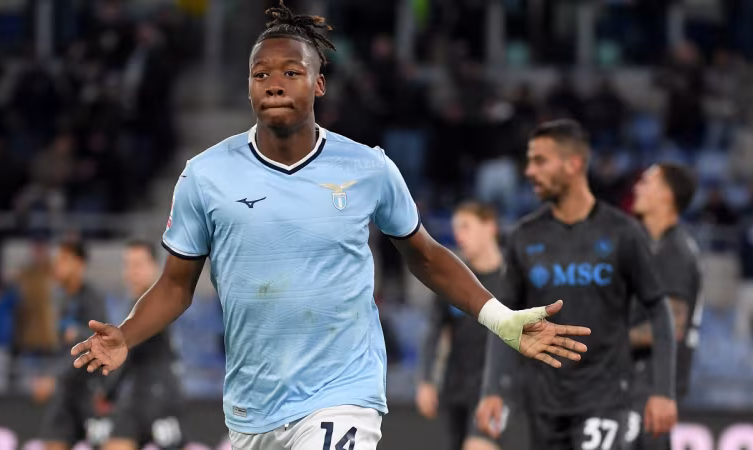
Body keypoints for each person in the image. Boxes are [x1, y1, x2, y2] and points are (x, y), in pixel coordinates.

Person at [70, 3, 591, 450]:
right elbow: (175, 286)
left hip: (344, 392)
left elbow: (427, 256)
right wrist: (125, 335)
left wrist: (502, 319)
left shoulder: (368, 168)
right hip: (252, 406)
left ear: (318, 83)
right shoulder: (205, 176)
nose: (274, 83)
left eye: (291, 72)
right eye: (260, 74)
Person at [476, 119, 678, 450]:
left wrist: (663, 392)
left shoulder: (622, 233)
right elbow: (504, 319)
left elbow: (660, 309)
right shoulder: (524, 236)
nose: (529, 171)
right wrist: (492, 390)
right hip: (544, 402)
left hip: (607, 398)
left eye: (540, 161)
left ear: (573, 164)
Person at [416, 202, 519, 450]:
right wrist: (426, 379)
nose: (458, 235)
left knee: (478, 446)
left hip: (498, 389)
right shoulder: (453, 279)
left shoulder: (514, 280)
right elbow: (434, 331)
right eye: (455, 229)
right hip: (457, 387)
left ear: (490, 227)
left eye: (465, 226)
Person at [630, 163, 702, 450]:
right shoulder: (652, 246)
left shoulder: (674, 251)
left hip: (650, 390)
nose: (637, 187)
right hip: (639, 387)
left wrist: (610, 339)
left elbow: (671, 327)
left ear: (667, 196)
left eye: (647, 182)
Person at [102, 240, 185, 450]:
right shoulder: (138, 304)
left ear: (154, 268)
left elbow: (124, 353)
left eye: (138, 264)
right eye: (128, 264)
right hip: (139, 396)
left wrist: (106, 391)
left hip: (160, 399)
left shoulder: (156, 302)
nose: (131, 272)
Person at [40, 240, 108, 450]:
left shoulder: (93, 299)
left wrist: (55, 377)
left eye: (64, 260)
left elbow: (96, 343)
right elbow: (61, 347)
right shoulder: (61, 300)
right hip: (66, 391)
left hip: (90, 389)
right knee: (53, 441)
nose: (57, 265)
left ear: (79, 264)